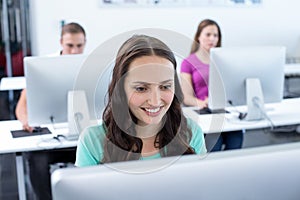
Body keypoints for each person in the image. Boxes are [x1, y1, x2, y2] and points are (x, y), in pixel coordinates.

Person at [75, 35, 206, 166]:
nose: (155, 101)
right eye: (141, 88)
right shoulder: (92, 141)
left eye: (165, 87)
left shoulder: (191, 133)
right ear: (120, 89)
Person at [15, 22, 86, 200]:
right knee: (36, 159)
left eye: (79, 45)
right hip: (51, 137)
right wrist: (26, 121)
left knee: (106, 150)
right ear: (61, 42)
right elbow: (21, 105)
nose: (75, 51)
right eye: (70, 45)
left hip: (82, 134)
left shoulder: (89, 65)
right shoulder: (45, 65)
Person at [180, 19, 243, 151]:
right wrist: (201, 102)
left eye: (215, 35)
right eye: (208, 35)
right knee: (215, 144)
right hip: (205, 112)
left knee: (236, 139)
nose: (212, 39)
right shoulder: (188, 62)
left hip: (225, 110)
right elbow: (186, 97)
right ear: (198, 36)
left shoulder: (225, 60)